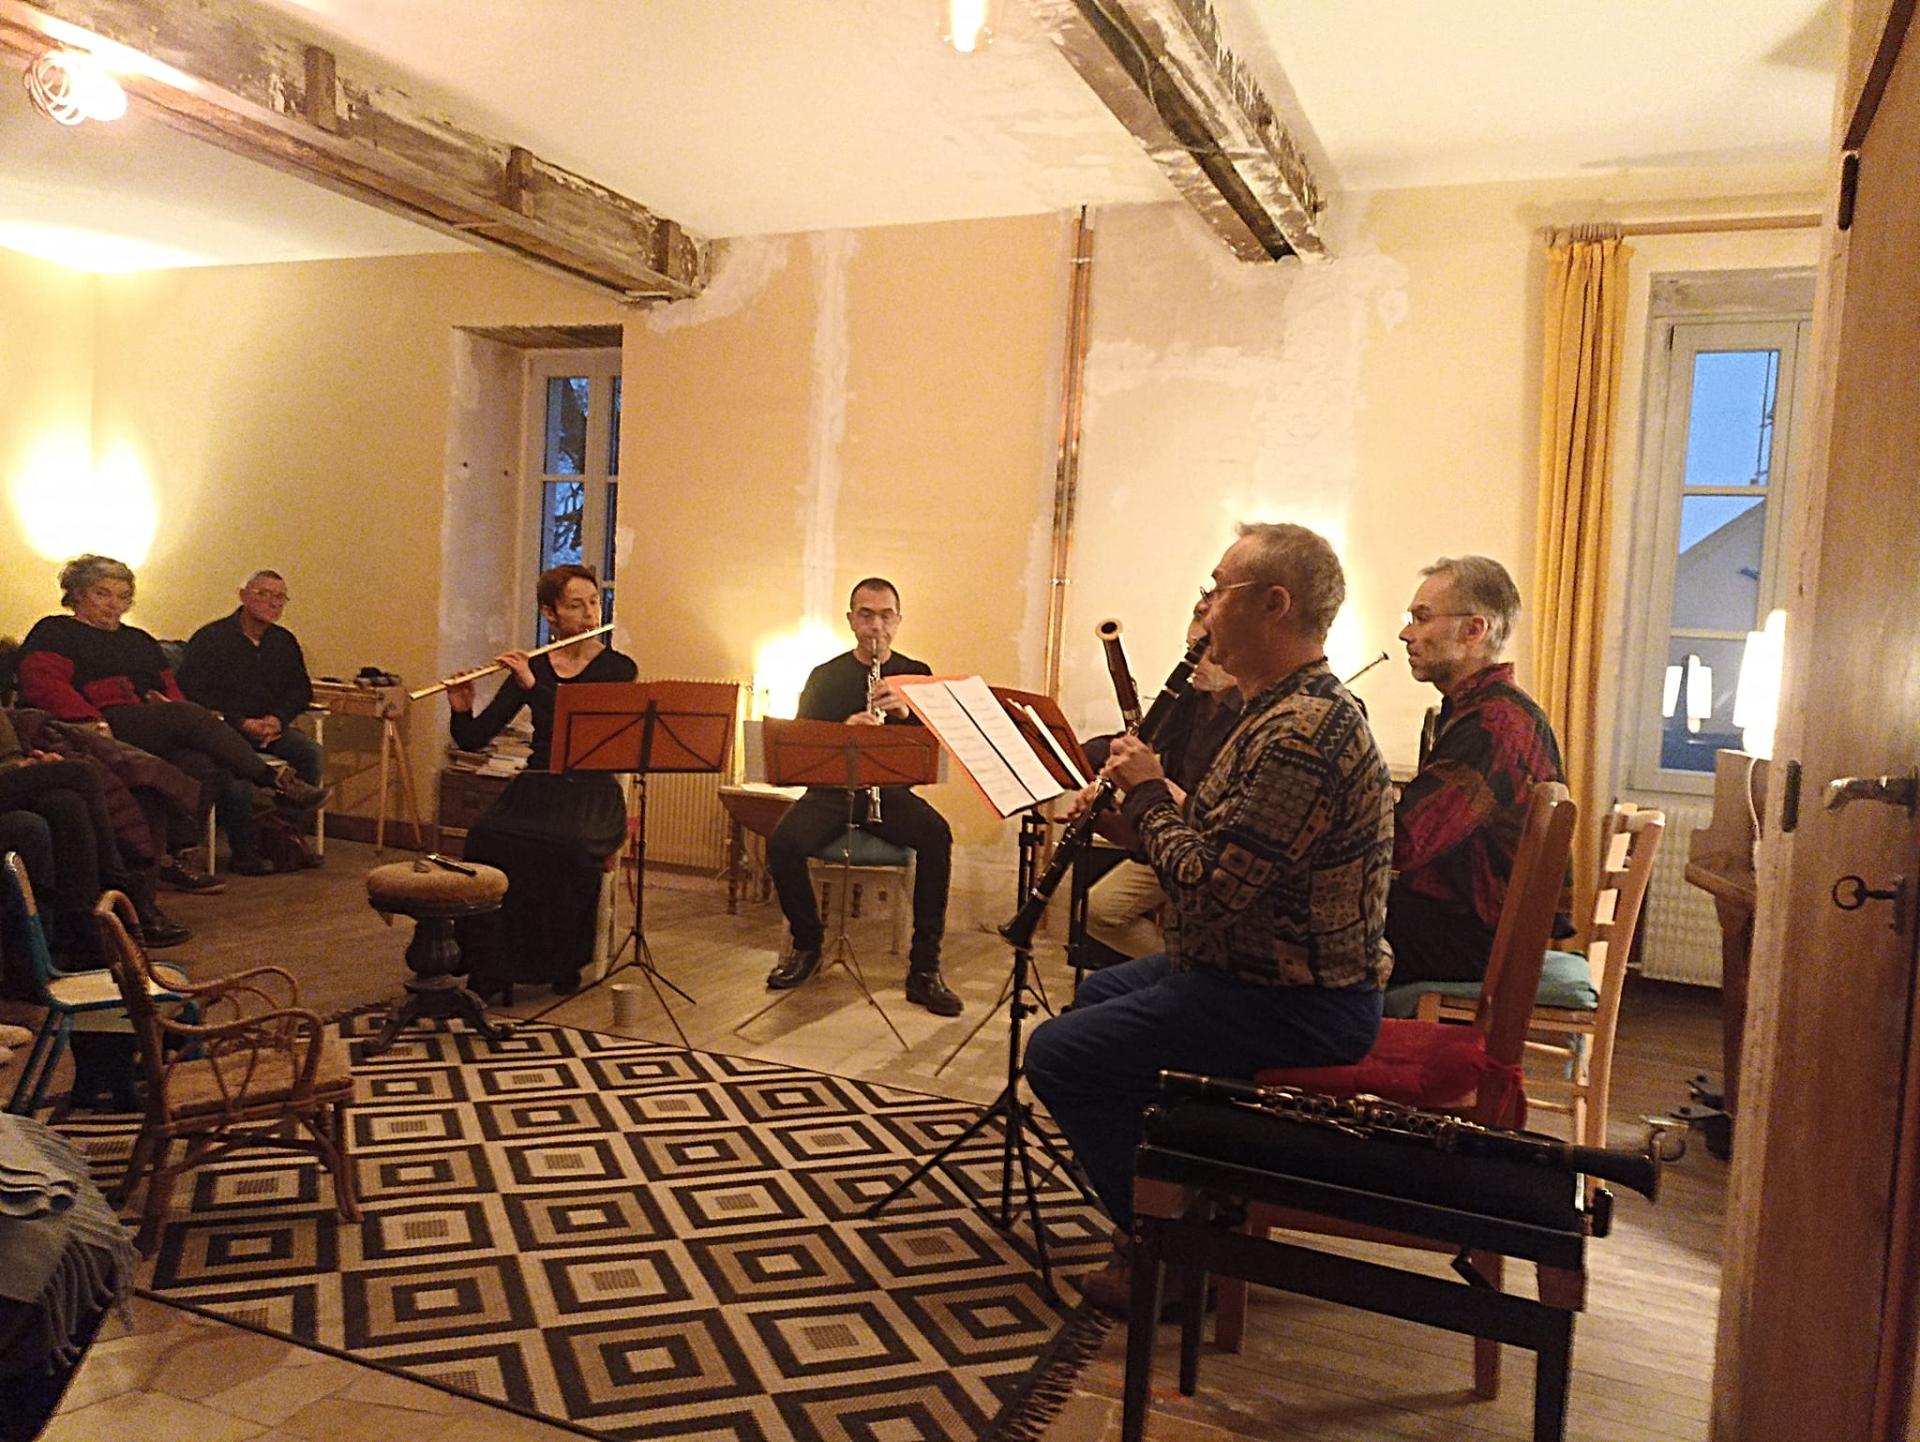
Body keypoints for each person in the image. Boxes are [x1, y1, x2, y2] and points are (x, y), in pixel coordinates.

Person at [1024, 522, 1395, 1312]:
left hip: (1297, 998)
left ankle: (1171, 1249)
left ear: (1273, 604)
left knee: (1058, 1053)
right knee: (1097, 998)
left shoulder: (1302, 733)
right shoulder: (1278, 712)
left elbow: (1207, 889)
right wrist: (1132, 811)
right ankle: (1185, 1186)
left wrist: (1151, 792)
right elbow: (1222, 838)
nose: (1203, 605)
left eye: (1216, 587)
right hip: (1252, 969)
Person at [17, 556, 326, 882]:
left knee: (203, 764)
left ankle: (178, 857)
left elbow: (170, 690)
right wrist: (93, 721)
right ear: (78, 594)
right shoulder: (56, 631)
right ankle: (274, 780)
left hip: (149, 722)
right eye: (102, 594)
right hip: (93, 724)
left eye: (122, 596)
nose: (113, 605)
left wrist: (169, 707)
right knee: (186, 714)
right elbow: (44, 685)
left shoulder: (139, 640)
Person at [762, 578, 960, 1016]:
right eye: (866, 615)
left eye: (885, 615)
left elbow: (934, 746)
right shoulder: (825, 676)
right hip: (833, 792)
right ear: (851, 620)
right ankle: (808, 945)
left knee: (936, 836)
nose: (876, 625)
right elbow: (802, 742)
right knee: (782, 843)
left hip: (889, 793)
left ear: (898, 621)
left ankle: (924, 968)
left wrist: (905, 715)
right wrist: (844, 734)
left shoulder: (917, 674)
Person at [446, 564, 635, 998]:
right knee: (485, 836)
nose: (590, 614)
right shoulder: (532, 667)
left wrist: (533, 685)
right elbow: (474, 739)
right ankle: (491, 964)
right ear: (550, 615)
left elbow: (584, 731)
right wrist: (461, 706)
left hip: (592, 790)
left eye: (594, 602)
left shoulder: (618, 669)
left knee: (565, 846)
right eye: (576, 605)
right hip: (538, 784)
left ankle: (560, 962)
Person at [1388, 555, 1568, 986]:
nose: (1405, 633)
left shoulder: (1493, 723)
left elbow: (1404, 841)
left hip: (1475, 938)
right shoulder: (1486, 710)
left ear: (1474, 630)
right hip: (1474, 924)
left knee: (1307, 922)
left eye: (1422, 618)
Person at [1074, 614, 1241, 970]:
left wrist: (1160, 791)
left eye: (1206, 655)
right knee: (1099, 910)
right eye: (1190, 650)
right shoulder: (1189, 700)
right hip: (1173, 836)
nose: (1193, 664)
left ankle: (1189, 973)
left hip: (1218, 855)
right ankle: (1178, 968)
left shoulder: (1252, 716)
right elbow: (1143, 742)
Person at [177, 570, 322, 787]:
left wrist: (277, 719)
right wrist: (241, 722)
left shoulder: (284, 641)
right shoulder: (211, 638)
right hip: (225, 729)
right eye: (265, 594)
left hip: (271, 730)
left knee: (310, 753)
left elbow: (300, 690)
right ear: (243, 596)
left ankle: (290, 818)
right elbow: (191, 690)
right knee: (237, 779)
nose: (274, 603)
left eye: (280, 597)